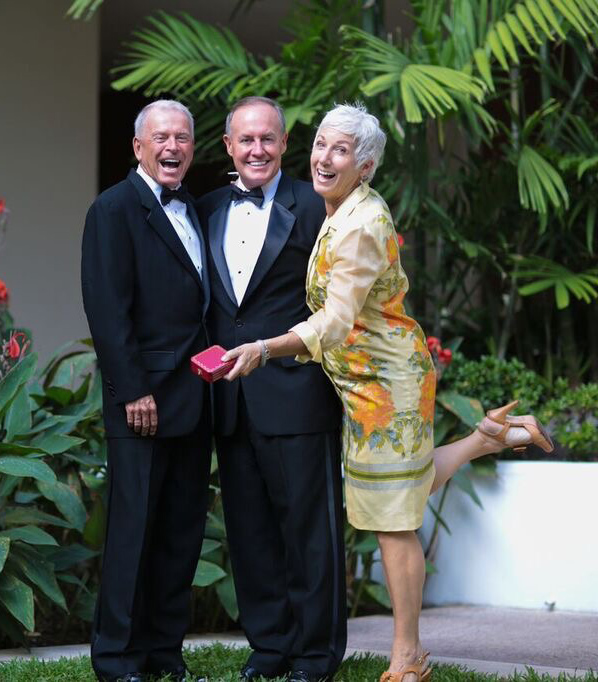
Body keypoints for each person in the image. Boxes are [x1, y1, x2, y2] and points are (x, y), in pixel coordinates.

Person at [222, 103, 554, 682]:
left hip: (386, 383)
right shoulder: (338, 207)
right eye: (321, 145)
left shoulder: (361, 224)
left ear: (366, 166)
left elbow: (335, 317)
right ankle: (490, 437)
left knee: (393, 521)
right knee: (398, 487)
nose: (324, 158)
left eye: (341, 150)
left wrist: (265, 349)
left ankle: (409, 657)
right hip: (360, 379)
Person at [198, 97, 347, 682]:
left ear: (285, 145)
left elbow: (340, 305)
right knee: (250, 530)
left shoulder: (317, 206)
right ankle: (269, 648)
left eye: (268, 139)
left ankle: (314, 655)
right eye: (245, 140)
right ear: (229, 147)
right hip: (229, 398)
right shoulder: (206, 207)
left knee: (310, 531)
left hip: (297, 391)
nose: (256, 149)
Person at [81, 100, 211, 682]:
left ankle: (164, 654)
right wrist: (133, 390)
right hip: (143, 400)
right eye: (161, 137)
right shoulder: (112, 209)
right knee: (133, 534)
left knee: (180, 534)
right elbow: (107, 309)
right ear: (137, 147)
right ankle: (117, 659)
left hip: (196, 396)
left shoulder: (196, 208)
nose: (172, 147)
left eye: (182, 137)